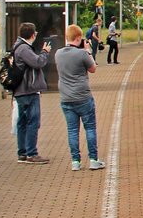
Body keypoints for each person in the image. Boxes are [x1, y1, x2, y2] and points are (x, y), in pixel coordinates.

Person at [54, 24, 105, 172]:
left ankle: (75, 162)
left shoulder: (58, 54)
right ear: (78, 38)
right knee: (89, 128)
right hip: (83, 96)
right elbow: (93, 68)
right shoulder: (82, 54)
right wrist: (88, 51)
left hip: (66, 97)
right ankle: (93, 160)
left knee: (72, 130)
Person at [11, 22, 52, 163]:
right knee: (32, 121)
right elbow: (38, 62)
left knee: (22, 122)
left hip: (20, 90)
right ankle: (31, 153)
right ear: (33, 34)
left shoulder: (17, 46)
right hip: (28, 90)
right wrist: (45, 52)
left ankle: (22, 152)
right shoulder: (23, 49)